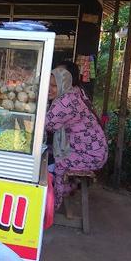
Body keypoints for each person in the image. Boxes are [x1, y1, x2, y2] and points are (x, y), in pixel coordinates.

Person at [46, 67, 108, 210]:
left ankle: (54, 203)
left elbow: (47, 124)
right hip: (90, 149)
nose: (49, 89)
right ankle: (68, 187)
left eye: (54, 86)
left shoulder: (65, 101)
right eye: (47, 84)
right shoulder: (73, 93)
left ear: (64, 84)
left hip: (92, 155)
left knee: (60, 161)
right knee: (50, 153)